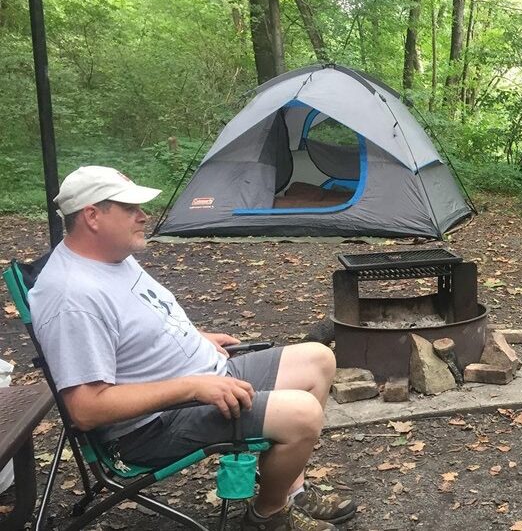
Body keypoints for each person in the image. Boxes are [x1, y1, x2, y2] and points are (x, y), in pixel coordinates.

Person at [29, 166, 355, 531]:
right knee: (303, 414)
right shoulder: (73, 297)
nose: (144, 216)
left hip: (201, 379)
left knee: (318, 360)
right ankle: (268, 515)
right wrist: (192, 387)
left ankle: (291, 492)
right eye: (130, 208)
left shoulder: (108, 256)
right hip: (149, 427)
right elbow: (86, 409)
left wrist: (194, 336)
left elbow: (140, 317)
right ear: (92, 216)